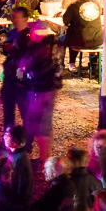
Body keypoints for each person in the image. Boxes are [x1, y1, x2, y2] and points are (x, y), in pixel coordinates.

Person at [21, 14, 64, 163]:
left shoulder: (41, 49)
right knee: (42, 124)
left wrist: (25, 70)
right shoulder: (51, 47)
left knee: (40, 125)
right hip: (47, 90)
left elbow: (33, 70)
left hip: (41, 91)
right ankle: (44, 158)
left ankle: (44, 160)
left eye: (32, 31)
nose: (30, 34)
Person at [31, 146, 97, 211]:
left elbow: (47, 208)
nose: (43, 172)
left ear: (54, 171)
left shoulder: (59, 187)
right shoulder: (61, 184)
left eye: (46, 169)